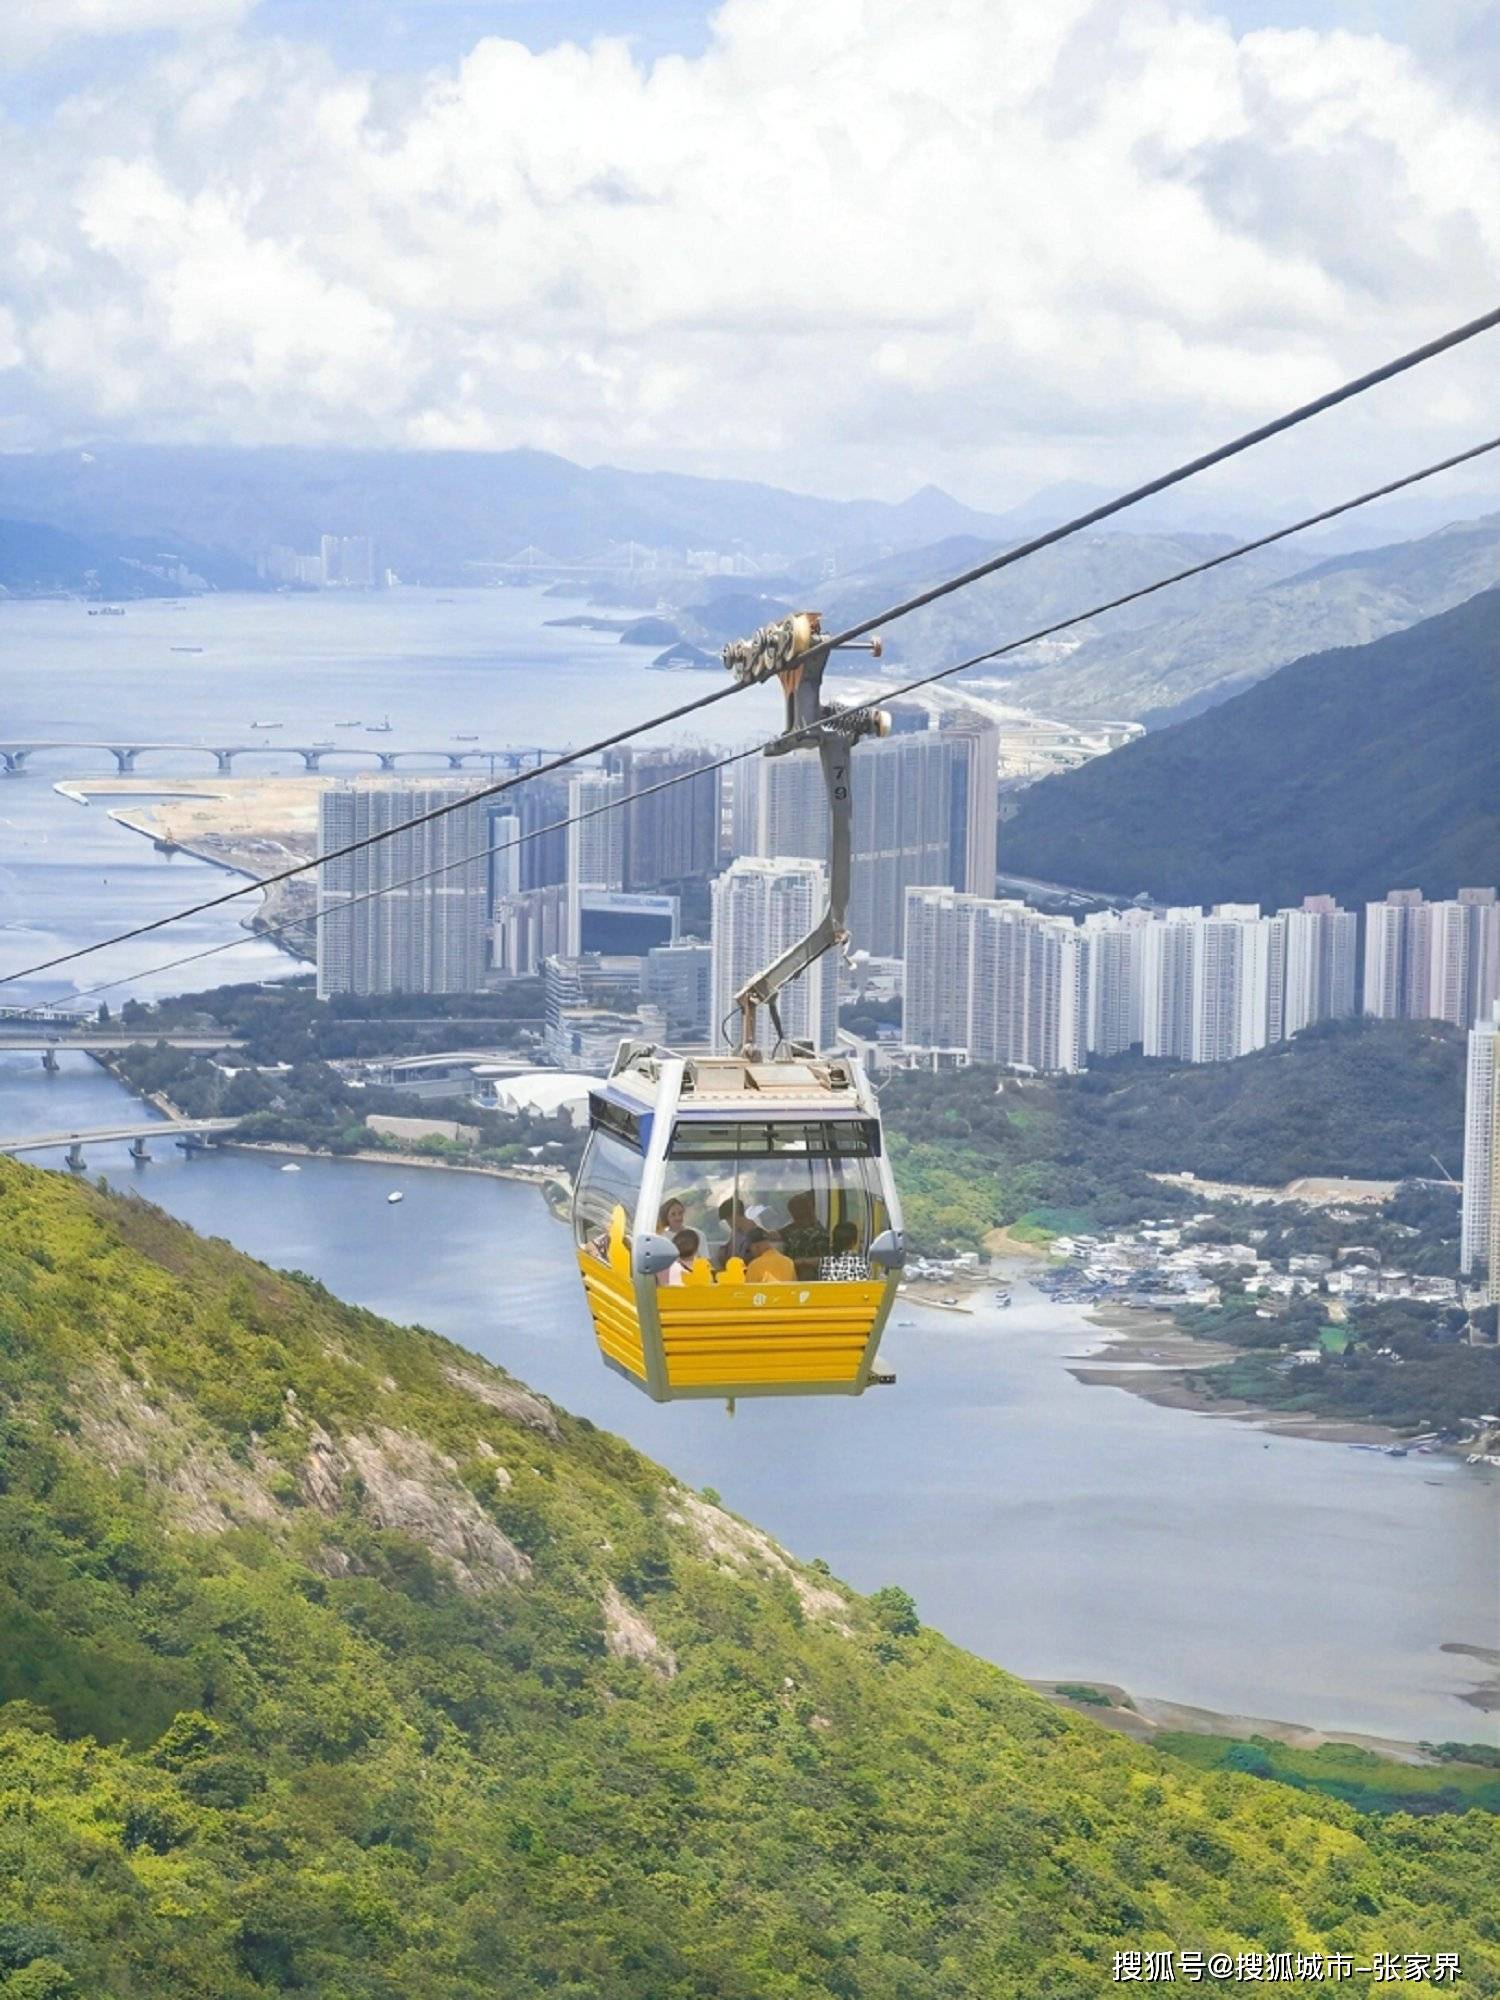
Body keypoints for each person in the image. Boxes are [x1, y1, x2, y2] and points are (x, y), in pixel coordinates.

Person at [780, 1189, 829, 1276]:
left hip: (812, 1279)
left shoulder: (820, 1234)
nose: (794, 1216)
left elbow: (825, 1261)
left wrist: (802, 1262)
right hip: (788, 1276)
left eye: (797, 1212)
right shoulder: (788, 1230)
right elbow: (776, 1239)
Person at [715, 1197, 757, 1269]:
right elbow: (729, 1251)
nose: (728, 1224)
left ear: (735, 1216)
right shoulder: (736, 1233)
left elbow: (755, 1259)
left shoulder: (756, 1233)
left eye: (728, 1220)